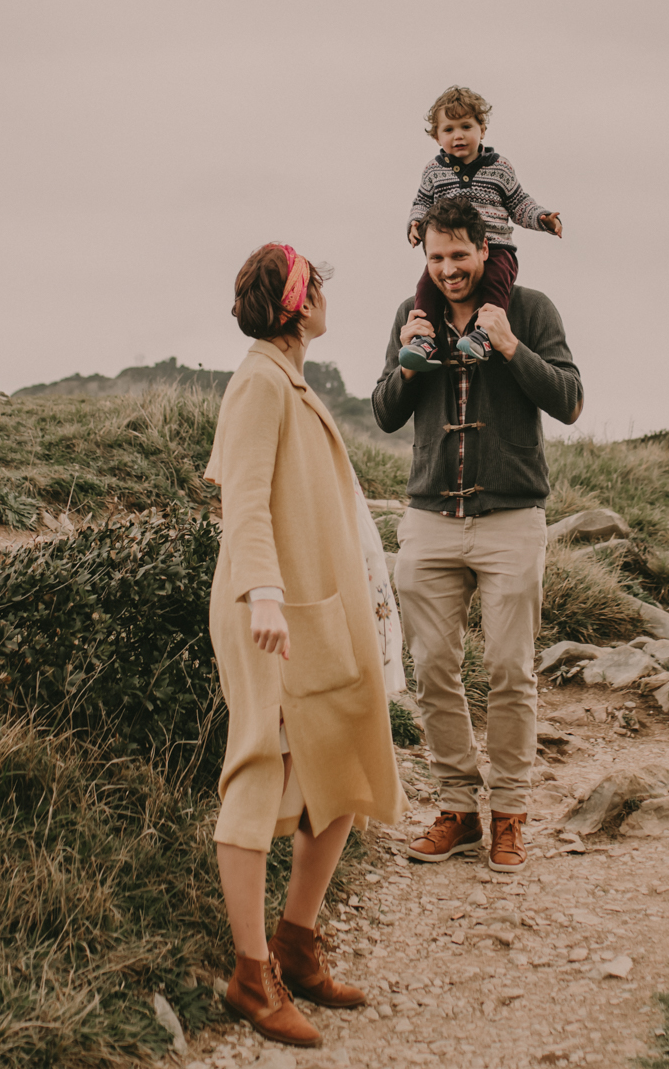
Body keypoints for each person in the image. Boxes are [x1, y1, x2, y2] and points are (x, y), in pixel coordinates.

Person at [204, 243, 407, 1048]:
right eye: (316, 287)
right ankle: (251, 977)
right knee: (262, 770)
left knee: (346, 764)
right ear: (296, 302)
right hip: (272, 615)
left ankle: (297, 939)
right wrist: (262, 593)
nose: (326, 298)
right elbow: (244, 500)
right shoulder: (258, 380)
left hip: (317, 608)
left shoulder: (289, 377)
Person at [371, 196, 584, 874]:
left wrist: (511, 347)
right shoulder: (412, 316)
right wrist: (409, 361)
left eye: (459, 255)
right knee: (431, 670)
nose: (447, 269)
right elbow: (383, 412)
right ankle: (459, 808)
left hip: (511, 520)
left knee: (509, 671)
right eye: (435, 257)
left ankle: (512, 813)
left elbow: (571, 400)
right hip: (429, 518)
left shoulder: (532, 310)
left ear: (485, 250)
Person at [399, 85, 564, 371]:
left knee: (496, 284)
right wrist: (415, 223)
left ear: (482, 130)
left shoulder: (499, 168)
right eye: (448, 129)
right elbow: (422, 203)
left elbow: (519, 203)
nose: (458, 135)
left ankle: (485, 335)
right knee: (426, 287)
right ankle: (424, 341)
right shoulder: (433, 171)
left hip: (497, 246)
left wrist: (542, 218)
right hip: (452, 247)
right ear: (436, 136)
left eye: (466, 126)